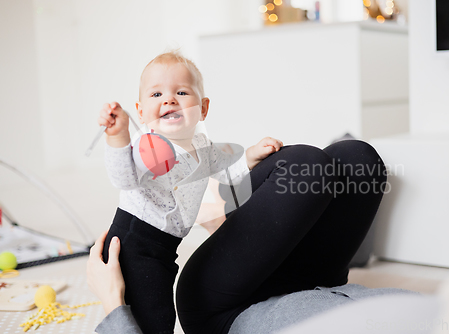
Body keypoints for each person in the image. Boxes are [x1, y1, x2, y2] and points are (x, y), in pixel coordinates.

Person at [89, 132, 389, 332]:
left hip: (225, 315)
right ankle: (224, 212)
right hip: (318, 287)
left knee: (306, 166)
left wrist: (113, 301)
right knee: (359, 159)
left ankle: (221, 213)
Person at [97, 51, 283, 334]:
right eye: (156, 94)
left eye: (181, 92)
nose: (169, 100)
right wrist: (118, 136)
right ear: (141, 111)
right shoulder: (146, 143)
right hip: (135, 241)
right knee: (152, 315)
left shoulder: (202, 145)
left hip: (165, 246)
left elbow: (224, 170)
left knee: (160, 308)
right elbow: (123, 178)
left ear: (203, 108)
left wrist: (250, 156)